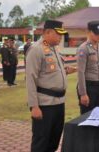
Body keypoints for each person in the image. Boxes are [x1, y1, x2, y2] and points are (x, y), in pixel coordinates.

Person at [26, 20, 76, 152]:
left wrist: (66, 70)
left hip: (59, 103)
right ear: (47, 32)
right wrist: (34, 106)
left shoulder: (54, 48)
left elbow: (51, 71)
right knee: (41, 142)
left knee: (53, 141)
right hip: (45, 104)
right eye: (58, 34)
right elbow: (30, 79)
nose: (60, 37)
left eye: (61, 35)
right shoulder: (36, 49)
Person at [77, 20, 99, 114]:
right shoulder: (83, 49)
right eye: (96, 33)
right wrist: (83, 94)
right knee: (87, 116)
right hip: (89, 87)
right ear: (89, 32)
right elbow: (80, 72)